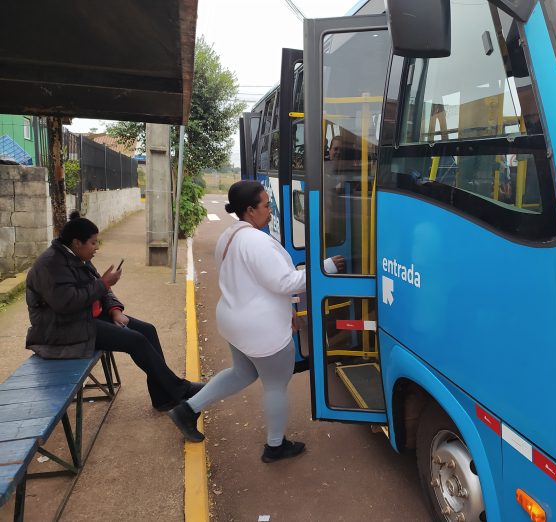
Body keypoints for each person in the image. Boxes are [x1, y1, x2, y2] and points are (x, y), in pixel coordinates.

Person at [167, 181, 345, 463]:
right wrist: (327, 267)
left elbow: (258, 282)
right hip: (261, 331)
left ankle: (187, 410)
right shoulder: (256, 242)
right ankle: (275, 446)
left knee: (242, 372)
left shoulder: (230, 235)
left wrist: (288, 310)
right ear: (250, 210)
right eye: (266, 205)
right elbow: (286, 282)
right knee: (275, 386)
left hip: (235, 322)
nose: (270, 210)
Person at [25, 211, 204, 411]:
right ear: (77, 243)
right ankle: (180, 389)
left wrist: (114, 310)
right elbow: (67, 303)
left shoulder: (76, 256)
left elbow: (99, 287)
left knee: (148, 330)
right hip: (62, 329)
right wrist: (104, 283)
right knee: (136, 341)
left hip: (84, 319)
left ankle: (163, 398)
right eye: (93, 243)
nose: (97, 247)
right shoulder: (50, 265)